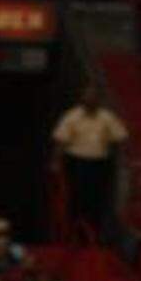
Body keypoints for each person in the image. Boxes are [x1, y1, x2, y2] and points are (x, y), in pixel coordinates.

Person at [51, 87, 128, 240]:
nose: (90, 100)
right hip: (77, 162)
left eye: (93, 97)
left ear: (98, 100)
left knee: (98, 198)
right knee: (76, 197)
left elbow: (120, 138)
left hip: (100, 163)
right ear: (82, 99)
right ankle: (74, 232)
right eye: (87, 97)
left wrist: (122, 159)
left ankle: (96, 232)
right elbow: (60, 141)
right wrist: (55, 162)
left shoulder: (107, 117)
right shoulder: (71, 116)